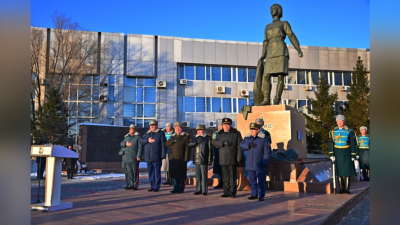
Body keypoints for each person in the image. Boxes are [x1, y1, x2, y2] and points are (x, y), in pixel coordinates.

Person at [255, 4, 303, 105]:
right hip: (270, 51)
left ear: (279, 10)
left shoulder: (284, 23)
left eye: (273, 9)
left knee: (280, 76)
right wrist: (263, 54)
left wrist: (297, 48)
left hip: (281, 50)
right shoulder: (267, 26)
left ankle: (277, 99)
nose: (271, 11)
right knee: (266, 76)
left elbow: (291, 35)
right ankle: (266, 99)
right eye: (270, 9)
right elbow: (265, 41)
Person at [212, 118, 243, 198]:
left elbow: (240, 146)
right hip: (223, 158)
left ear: (230, 125)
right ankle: (226, 192)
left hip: (232, 157)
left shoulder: (236, 133)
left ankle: (232, 192)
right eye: (224, 125)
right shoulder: (220, 133)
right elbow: (214, 142)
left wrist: (239, 157)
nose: (226, 126)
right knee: (225, 176)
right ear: (222, 125)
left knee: (232, 176)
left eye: (228, 125)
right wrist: (222, 143)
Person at [240, 123, 271, 201]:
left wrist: (264, 162)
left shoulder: (263, 139)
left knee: (260, 181)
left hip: (259, 163)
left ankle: (261, 195)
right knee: (252, 180)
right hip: (250, 163)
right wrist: (249, 145)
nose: (252, 131)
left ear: (258, 130)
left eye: (253, 130)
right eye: (251, 129)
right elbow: (241, 146)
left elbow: (267, 152)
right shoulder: (247, 138)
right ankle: (254, 194)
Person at [329, 115, 357, 194]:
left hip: (346, 152)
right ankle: (341, 188)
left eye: (341, 121)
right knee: (339, 170)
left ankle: (347, 188)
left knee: (347, 170)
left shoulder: (350, 131)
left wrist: (353, 155)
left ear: (344, 122)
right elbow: (331, 143)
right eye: (338, 121)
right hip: (337, 152)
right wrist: (332, 154)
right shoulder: (332, 132)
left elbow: (352, 143)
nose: (339, 122)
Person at [140, 120, 167, 192]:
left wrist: (163, 155)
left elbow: (163, 145)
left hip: (157, 156)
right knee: (150, 172)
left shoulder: (160, 133)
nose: (152, 127)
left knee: (157, 172)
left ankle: (157, 186)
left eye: (154, 125)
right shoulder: (146, 134)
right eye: (151, 125)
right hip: (148, 157)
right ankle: (152, 185)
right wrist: (147, 140)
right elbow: (141, 141)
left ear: (156, 126)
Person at [165, 122, 191, 194]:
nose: (178, 129)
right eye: (176, 128)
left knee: (181, 174)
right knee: (174, 174)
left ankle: (181, 188)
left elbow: (187, 148)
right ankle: (175, 187)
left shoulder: (185, 137)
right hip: (173, 159)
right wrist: (173, 140)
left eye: (179, 128)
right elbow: (167, 144)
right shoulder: (173, 136)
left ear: (182, 129)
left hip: (181, 158)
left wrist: (186, 158)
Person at [189, 124, 213, 195]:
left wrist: (209, 159)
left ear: (204, 130)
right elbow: (189, 145)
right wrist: (195, 142)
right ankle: (198, 189)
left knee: (204, 175)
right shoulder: (194, 138)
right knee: (197, 176)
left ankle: (204, 189)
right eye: (198, 130)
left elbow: (210, 150)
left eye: (201, 130)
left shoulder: (207, 138)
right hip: (196, 159)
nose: (199, 132)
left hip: (203, 159)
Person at [120, 124, 143, 190]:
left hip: (134, 157)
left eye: (132, 129)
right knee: (128, 172)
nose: (130, 130)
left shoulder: (138, 137)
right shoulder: (126, 137)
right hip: (126, 157)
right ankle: (129, 184)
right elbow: (121, 144)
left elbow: (140, 147)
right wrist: (125, 144)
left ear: (135, 130)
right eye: (130, 129)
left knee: (134, 172)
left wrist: (138, 156)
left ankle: (135, 185)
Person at [212, 119, 223, 189]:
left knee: (223, 169)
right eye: (218, 125)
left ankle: (224, 183)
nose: (219, 127)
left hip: (223, 152)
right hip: (217, 152)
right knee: (219, 169)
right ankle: (220, 182)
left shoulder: (224, 133)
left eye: (221, 125)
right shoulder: (215, 133)